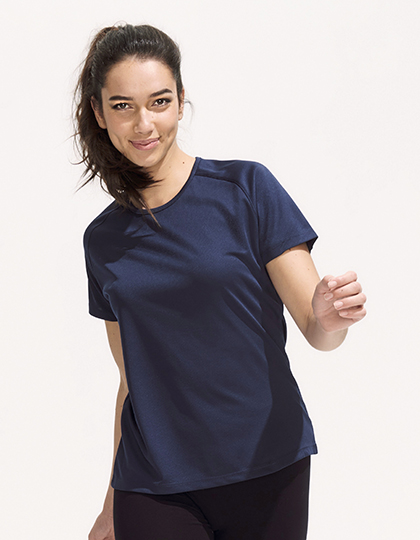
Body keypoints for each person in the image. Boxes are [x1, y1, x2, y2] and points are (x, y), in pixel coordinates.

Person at [74, 23, 367, 540]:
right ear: (100, 113)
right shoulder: (102, 240)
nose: (143, 123)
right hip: (153, 480)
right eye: (122, 106)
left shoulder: (246, 189)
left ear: (180, 101)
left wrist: (328, 318)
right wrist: (111, 502)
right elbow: (132, 381)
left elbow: (318, 330)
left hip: (265, 464)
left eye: (159, 102)